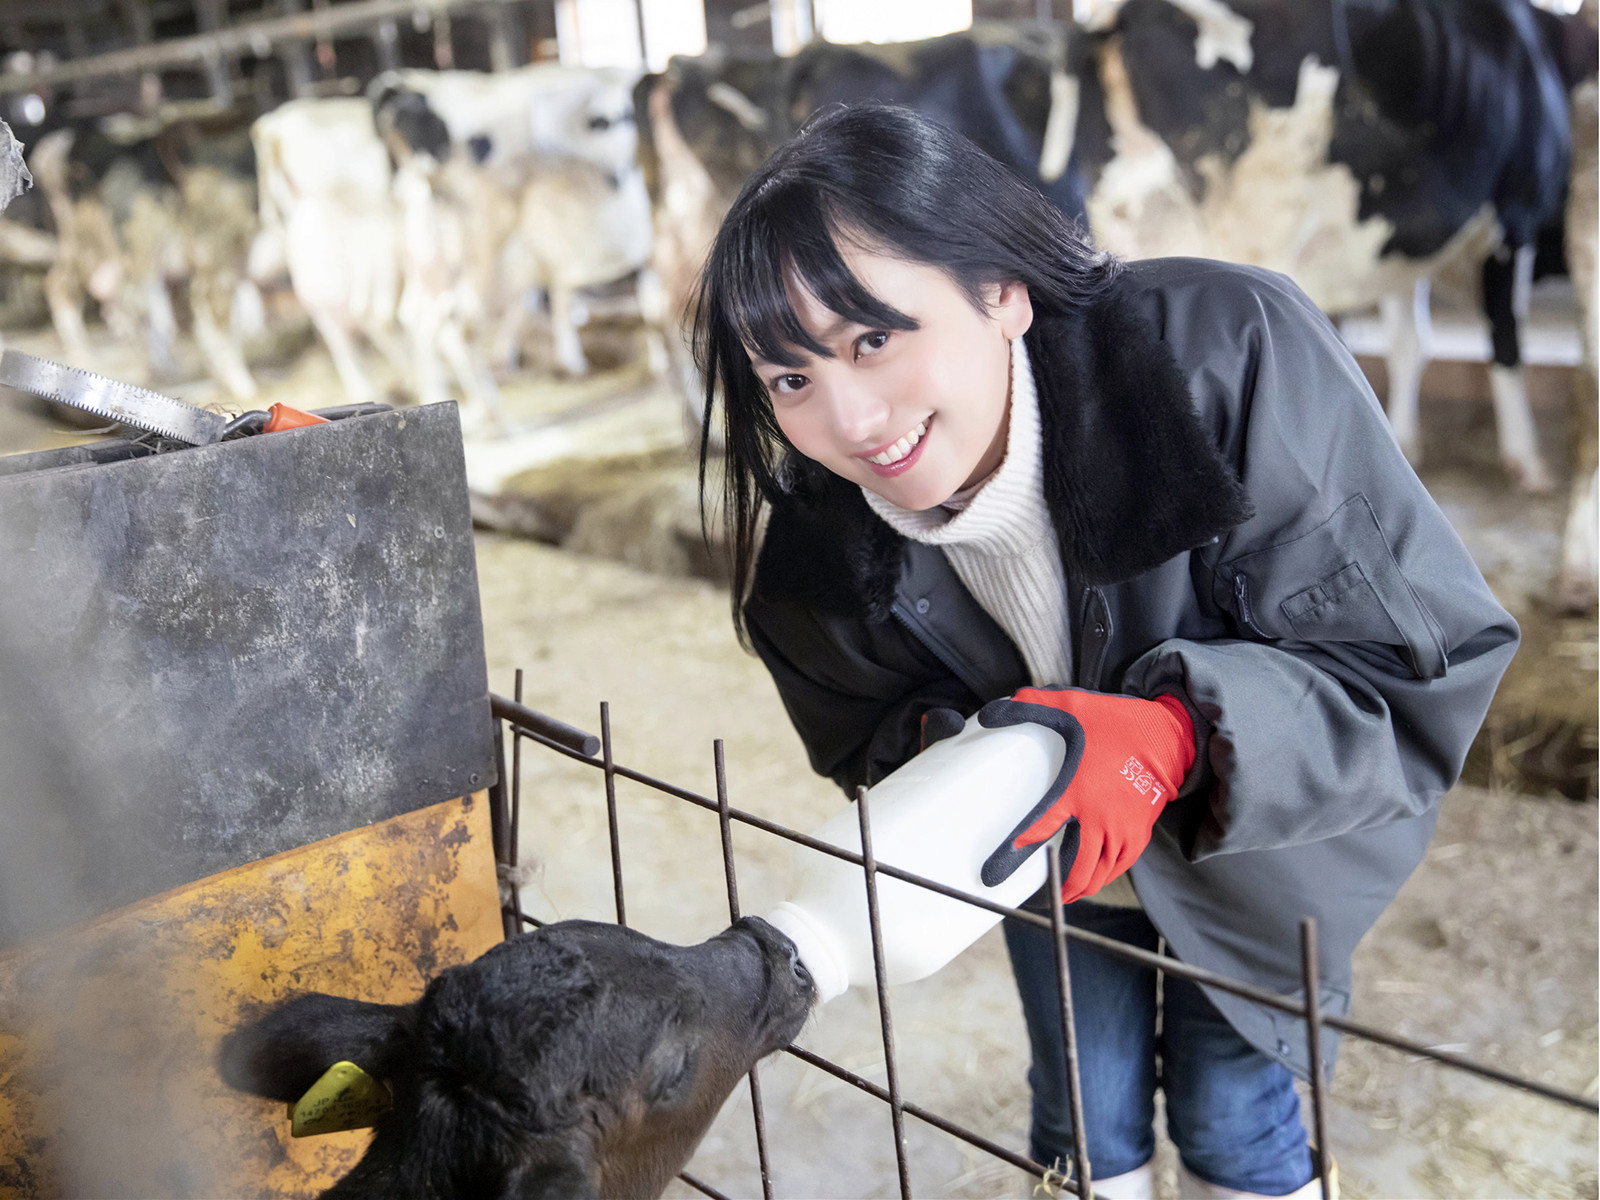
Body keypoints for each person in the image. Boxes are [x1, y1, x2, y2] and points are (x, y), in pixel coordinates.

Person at [691, 104, 1519, 1199]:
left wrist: (1173, 734)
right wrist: (992, 757)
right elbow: (863, 726)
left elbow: (1416, 664)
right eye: (788, 377)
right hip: (1050, 856)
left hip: (1261, 846)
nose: (849, 418)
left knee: (1234, 1117)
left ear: (1000, 291)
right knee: (1082, 1109)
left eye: (874, 338)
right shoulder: (816, 555)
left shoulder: (1226, 358)